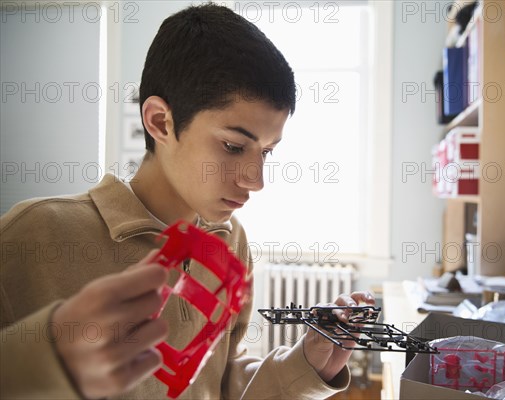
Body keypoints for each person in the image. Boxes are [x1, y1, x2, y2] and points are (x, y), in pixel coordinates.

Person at [0, 3, 374, 399]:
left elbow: (218, 382)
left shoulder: (231, 242)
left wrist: (305, 366)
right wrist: (43, 363)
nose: (257, 180)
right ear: (160, 121)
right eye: (233, 146)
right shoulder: (35, 234)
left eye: (265, 152)